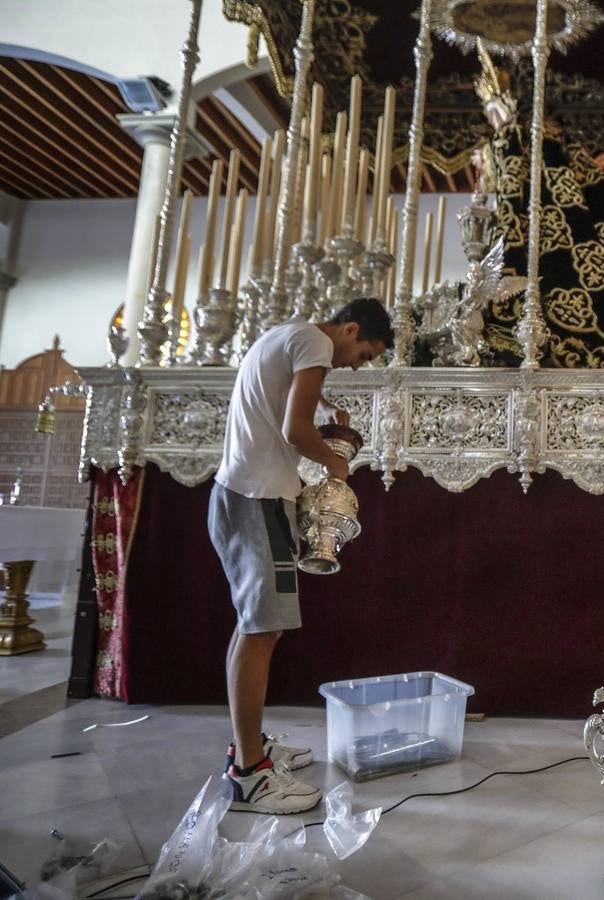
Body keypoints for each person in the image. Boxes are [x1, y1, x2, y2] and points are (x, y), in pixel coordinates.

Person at [209, 298, 391, 814]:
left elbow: (285, 399)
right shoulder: (314, 342)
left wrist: (325, 407)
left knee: (255, 627)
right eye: (363, 354)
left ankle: (249, 746)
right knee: (261, 632)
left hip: (242, 493)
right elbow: (295, 430)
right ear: (349, 328)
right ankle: (250, 772)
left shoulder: (286, 334)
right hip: (258, 498)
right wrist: (335, 462)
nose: (356, 365)